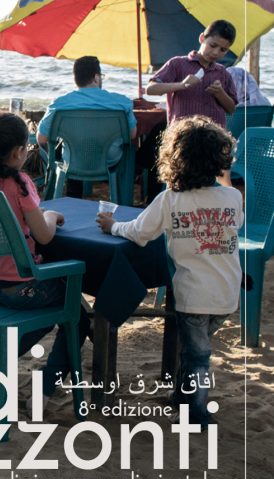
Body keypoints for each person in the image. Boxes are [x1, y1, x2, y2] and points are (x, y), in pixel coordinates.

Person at [97, 116, 241, 426]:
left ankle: (196, 413)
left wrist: (112, 226)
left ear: (174, 160)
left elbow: (138, 232)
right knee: (195, 349)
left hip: (193, 294)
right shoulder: (232, 197)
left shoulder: (171, 200)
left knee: (197, 356)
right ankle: (182, 395)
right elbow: (235, 224)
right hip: (228, 293)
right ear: (220, 158)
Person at [0, 110, 89, 408]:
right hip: (18, 289)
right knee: (76, 313)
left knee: (51, 309)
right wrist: (51, 215)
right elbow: (43, 236)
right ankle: (38, 383)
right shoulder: (19, 184)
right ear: (17, 151)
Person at [35, 56, 137, 198]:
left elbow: (41, 138)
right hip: (109, 161)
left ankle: (69, 195)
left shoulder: (59, 104)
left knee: (67, 149)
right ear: (96, 77)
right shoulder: (122, 102)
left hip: (73, 161)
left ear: (76, 78)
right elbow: (132, 135)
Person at [147, 19, 238, 126]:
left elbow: (231, 109)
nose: (215, 52)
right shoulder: (177, 64)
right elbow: (151, 89)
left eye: (223, 50)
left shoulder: (222, 72)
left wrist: (220, 93)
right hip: (182, 133)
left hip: (214, 135)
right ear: (202, 38)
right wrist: (182, 85)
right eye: (212, 45)